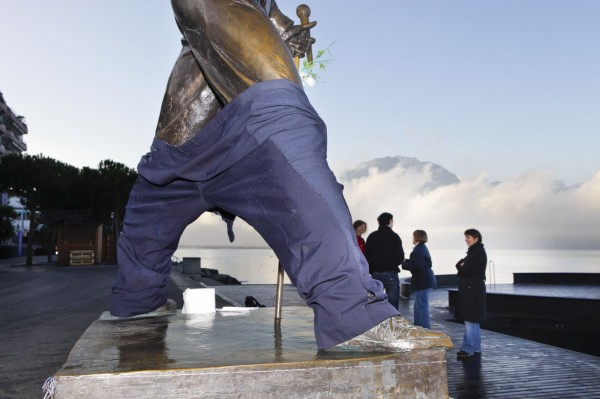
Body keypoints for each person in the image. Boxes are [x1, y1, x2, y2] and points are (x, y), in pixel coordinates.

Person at [109, 0, 451, 352]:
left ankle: (352, 312)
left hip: (228, 137)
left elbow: (268, 10)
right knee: (283, 120)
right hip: (187, 140)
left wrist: (286, 30)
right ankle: (138, 300)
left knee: (286, 132)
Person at [455, 228, 487, 359]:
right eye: (466, 237)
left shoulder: (477, 253)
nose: (466, 239)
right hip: (473, 289)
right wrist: (461, 266)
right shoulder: (475, 252)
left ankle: (468, 349)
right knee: (473, 319)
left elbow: (464, 269)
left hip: (471, 290)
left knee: (470, 319)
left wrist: (460, 267)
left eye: (468, 237)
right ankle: (476, 347)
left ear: (476, 238)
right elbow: (462, 266)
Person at [365, 212, 404, 310]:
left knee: (375, 304)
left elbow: (366, 256)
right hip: (391, 274)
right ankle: (392, 324)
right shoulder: (394, 236)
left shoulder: (372, 236)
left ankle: (377, 323)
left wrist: (372, 270)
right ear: (390, 221)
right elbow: (400, 257)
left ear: (379, 222)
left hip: (376, 274)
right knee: (393, 305)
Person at [402, 230, 436, 329]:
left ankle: (424, 329)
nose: (412, 238)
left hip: (423, 281)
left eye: (413, 236)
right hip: (424, 280)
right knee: (419, 306)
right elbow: (418, 263)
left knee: (421, 307)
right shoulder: (421, 248)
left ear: (417, 236)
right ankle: (419, 327)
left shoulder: (419, 250)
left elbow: (417, 266)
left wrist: (404, 262)